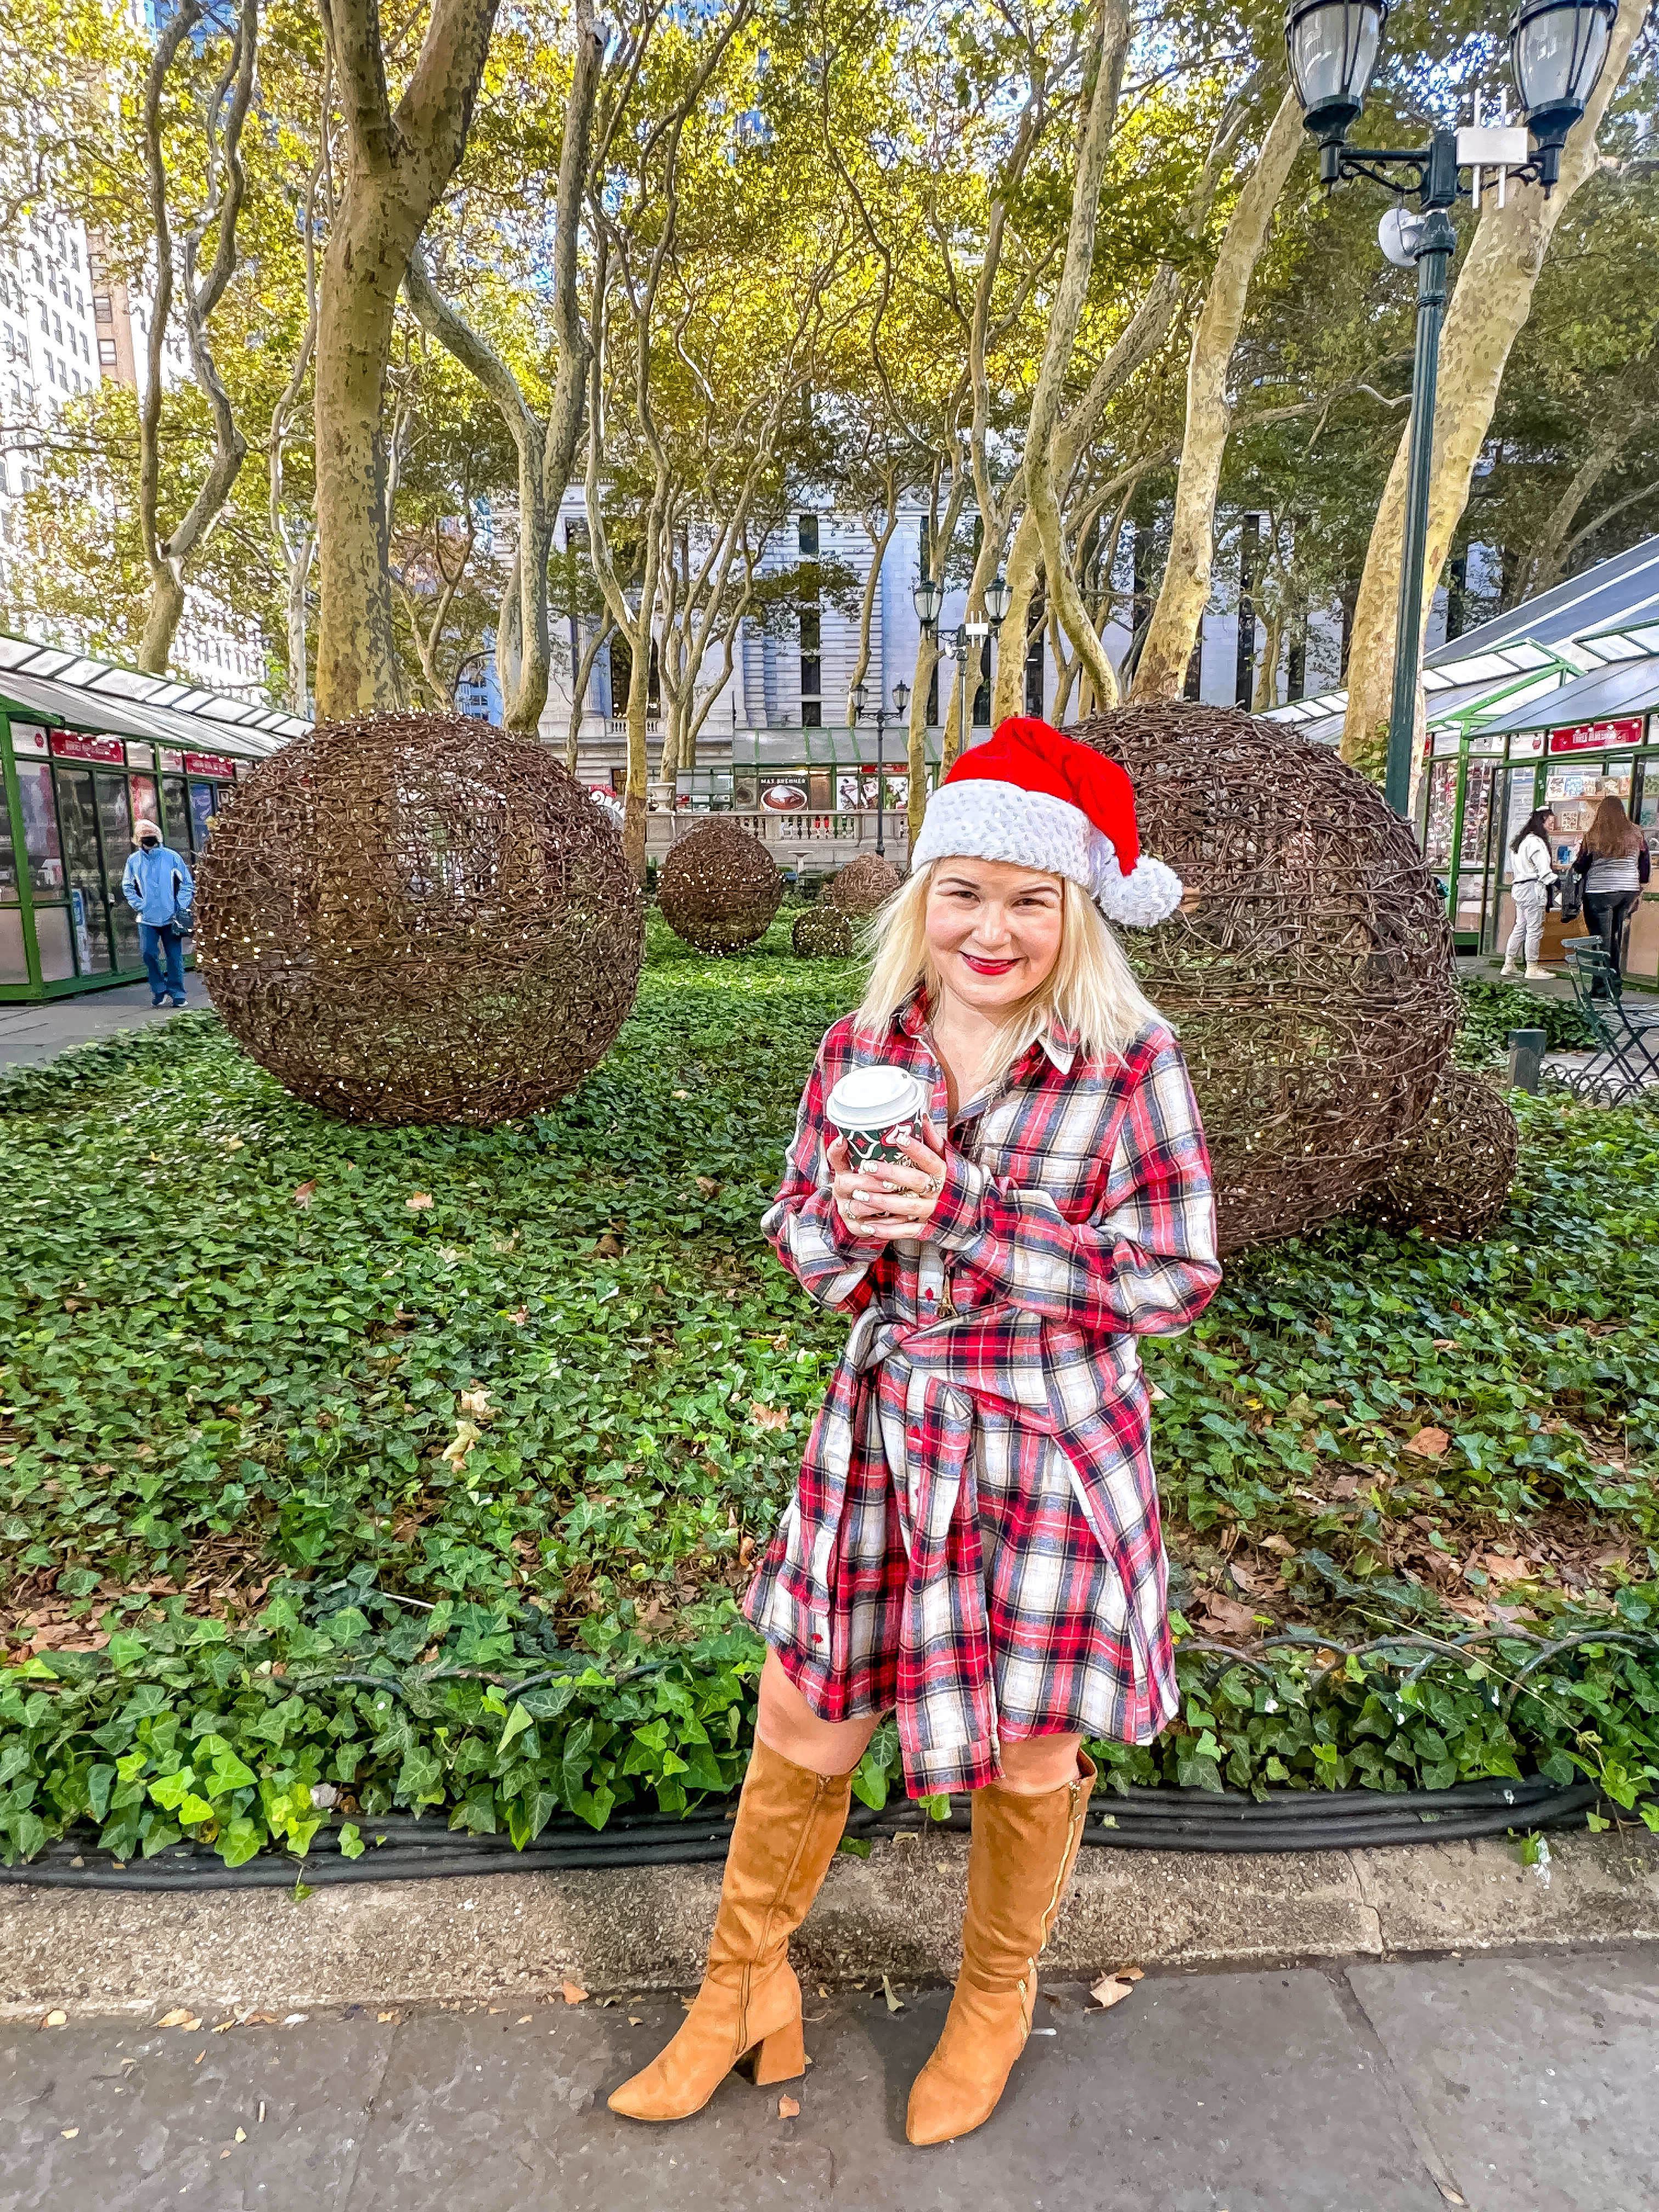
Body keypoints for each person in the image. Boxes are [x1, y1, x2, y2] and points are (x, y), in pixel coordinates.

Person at [608, 716, 1220, 2143]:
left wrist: (974, 1219)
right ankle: (738, 1991)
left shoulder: (1128, 1064)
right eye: (965, 892)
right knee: (803, 1718)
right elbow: (803, 1250)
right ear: (921, 899)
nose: (991, 929)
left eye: (1028, 899)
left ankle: (994, 2003)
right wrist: (848, 1218)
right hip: (889, 1435)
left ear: (1075, 913)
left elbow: (1175, 1276)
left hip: (1051, 1452)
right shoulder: (862, 1048)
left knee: (1031, 1751)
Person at [1572, 792, 1650, 995]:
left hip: (1600, 892)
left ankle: (1601, 987)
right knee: (1611, 937)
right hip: (1627, 891)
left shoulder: (1594, 833)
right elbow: (1644, 864)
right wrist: (1639, 889)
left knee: (1600, 940)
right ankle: (1614, 984)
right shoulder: (1636, 832)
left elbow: (1581, 865)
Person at [121, 817, 194, 1008]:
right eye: (145, 837)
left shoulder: (172, 857)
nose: (149, 840)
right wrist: (140, 905)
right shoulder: (133, 861)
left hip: (172, 918)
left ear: (158, 836)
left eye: (152, 836)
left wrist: (180, 906)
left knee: (174, 957)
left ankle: (178, 993)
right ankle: (159, 990)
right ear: (138, 840)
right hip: (146, 919)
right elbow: (128, 886)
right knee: (148, 954)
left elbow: (187, 884)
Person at [1500, 806, 1556, 979]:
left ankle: (1509, 963)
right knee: (1534, 929)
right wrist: (1558, 883)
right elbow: (1544, 871)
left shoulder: (1521, 841)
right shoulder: (1537, 843)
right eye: (1551, 823)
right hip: (1533, 888)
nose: (1553, 827)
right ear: (1542, 821)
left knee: (1520, 927)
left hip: (1519, 887)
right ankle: (1532, 967)